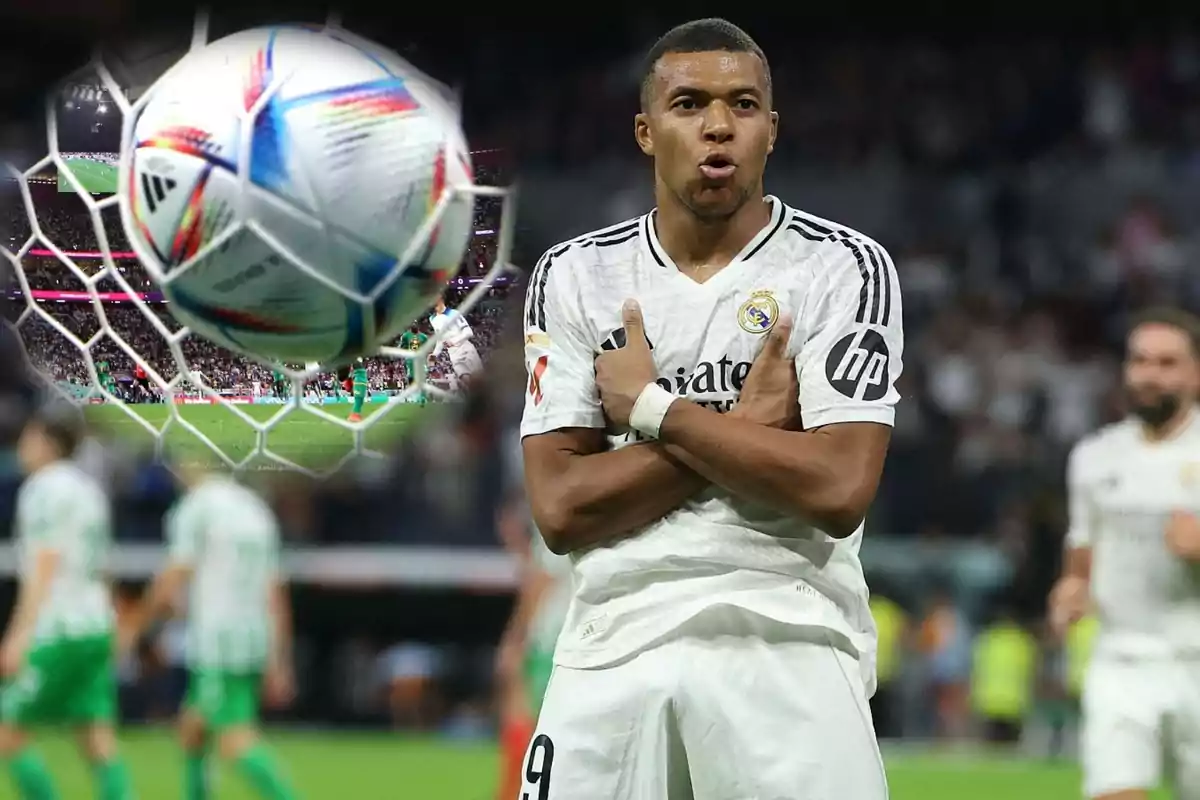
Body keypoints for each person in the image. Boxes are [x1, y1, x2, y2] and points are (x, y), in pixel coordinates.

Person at [518, 18, 902, 798]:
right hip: (612, 644)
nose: (718, 126)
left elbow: (837, 489)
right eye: (689, 103)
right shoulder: (576, 275)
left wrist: (657, 411)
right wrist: (749, 434)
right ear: (645, 130)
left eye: (744, 105)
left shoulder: (841, 268)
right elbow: (560, 509)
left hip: (787, 635)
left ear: (771, 130)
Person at [1049, 307, 1200, 800]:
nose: (1149, 375)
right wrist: (1070, 591)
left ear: (1194, 372)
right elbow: (1081, 557)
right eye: (1140, 361)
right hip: (1122, 658)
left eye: (1167, 363)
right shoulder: (1095, 457)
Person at [120, 463, 298, 800]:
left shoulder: (197, 507)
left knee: (233, 740)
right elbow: (274, 590)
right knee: (194, 729)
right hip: (253, 634)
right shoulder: (255, 508)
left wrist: (135, 624)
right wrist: (280, 656)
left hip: (219, 640)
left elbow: (175, 573)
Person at [0, 400, 133, 800]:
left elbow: (45, 562)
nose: (21, 447)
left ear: (44, 441)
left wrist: (19, 634)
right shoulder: (89, 489)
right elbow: (102, 564)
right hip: (95, 625)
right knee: (96, 737)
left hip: (59, 629)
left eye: (26, 437)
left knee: (7, 733)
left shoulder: (42, 489)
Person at [429, 297, 482, 391]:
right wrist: (434, 354)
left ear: (441, 300)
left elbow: (469, 332)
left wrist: (453, 341)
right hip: (453, 354)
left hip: (466, 349)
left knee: (479, 382)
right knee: (466, 381)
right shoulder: (432, 319)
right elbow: (440, 339)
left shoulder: (454, 313)